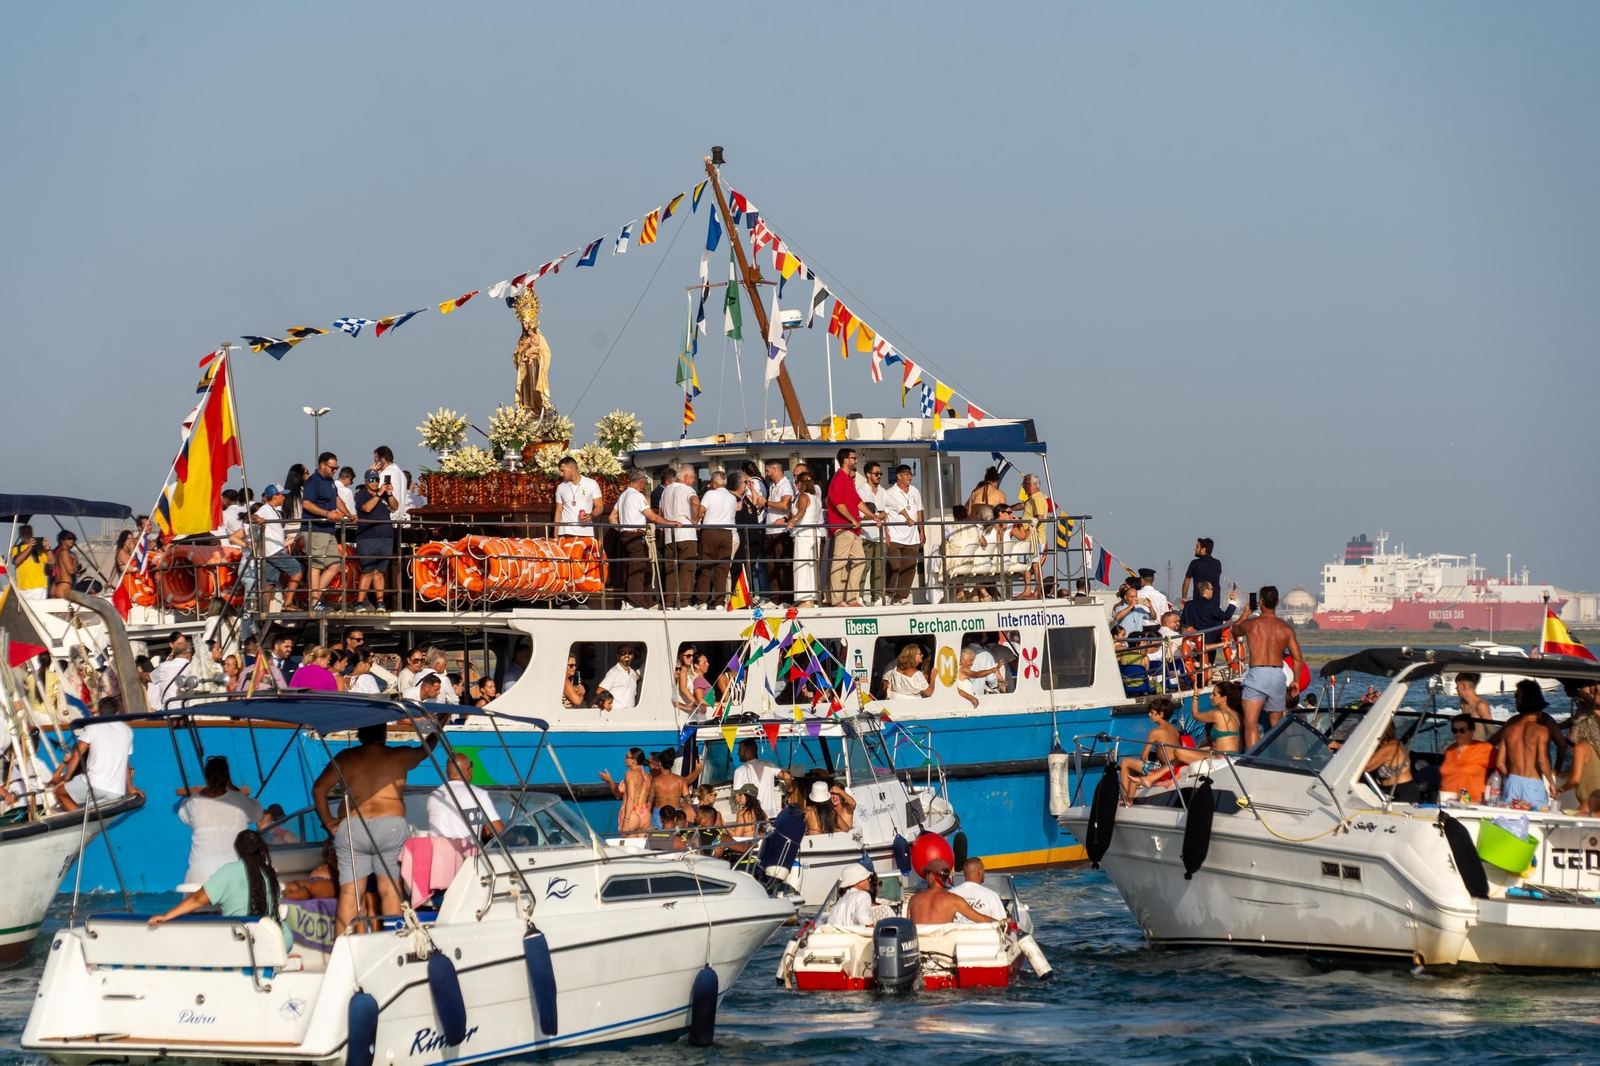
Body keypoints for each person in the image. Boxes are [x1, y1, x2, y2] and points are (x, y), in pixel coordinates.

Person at [312, 720, 441, 933]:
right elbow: (424, 750)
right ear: (384, 734)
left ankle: (343, 952)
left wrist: (328, 822)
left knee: (350, 893)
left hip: (353, 826)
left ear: (360, 734)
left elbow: (319, 789)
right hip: (390, 826)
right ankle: (393, 944)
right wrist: (437, 728)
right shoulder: (399, 755)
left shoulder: (346, 757)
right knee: (391, 890)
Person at [148, 829, 294, 953]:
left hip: (248, 941)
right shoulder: (270, 872)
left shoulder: (229, 871)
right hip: (280, 939)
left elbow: (197, 900)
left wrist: (167, 916)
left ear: (237, 851)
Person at [1233, 586, 1306, 747]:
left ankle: (1253, 762)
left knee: (1250, 723)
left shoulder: (1251, 624)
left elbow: (1235, 630)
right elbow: (1298, 658)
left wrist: (1245, 613)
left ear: (1260, 602)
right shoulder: (1286, 628)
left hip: (1257, 673)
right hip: (1277, 674)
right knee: (1277, 724)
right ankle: (1279, 759)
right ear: (1278, 602)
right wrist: (1295, 680)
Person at [177, 756, 265, 885]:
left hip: (200, 876)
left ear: (206, 778)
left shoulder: (192, 802)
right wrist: (235, 789)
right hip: (234, 873)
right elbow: (257, 813)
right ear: (227, 777)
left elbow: (183, 817)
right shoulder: (239, 800)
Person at [49, 697, 137, 812]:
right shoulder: (127, 730)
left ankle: (80, 823)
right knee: (88, 809)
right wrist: (130, 789)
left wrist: (66, 780)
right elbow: (126, 762)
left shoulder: (93, 726)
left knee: (59, 793)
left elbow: (76, 754)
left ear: (99, 711)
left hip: (94, 784)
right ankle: (84, 821)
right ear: (117, 712)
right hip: (116, 791)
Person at [613, 469, 671, 610]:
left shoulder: (623, 495)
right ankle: (634, 602)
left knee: (632, 568)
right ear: (641, 480)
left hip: (625, 536)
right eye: (645, 480)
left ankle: (631, 601)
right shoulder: (637, 496)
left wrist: (622, 529)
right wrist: (670, 522)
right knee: (637, 568)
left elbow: (611, 517)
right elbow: (652, 517)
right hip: (635, 536)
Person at [301, 452, 350, 611]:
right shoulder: (313, 482)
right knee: (316, 565)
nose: (335, 470)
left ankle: (314, 599)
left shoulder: (330, 482)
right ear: (322, 465)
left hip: (328, 530)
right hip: (315, 529)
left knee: (335, 565)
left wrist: (349, 514)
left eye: (337, 468)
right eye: (332, 467)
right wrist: (327, 514)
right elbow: (307, 504)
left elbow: (336, 499)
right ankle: (314, 602)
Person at [1496, 681, 1556, 807]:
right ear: (1538, 710)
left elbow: (1499, 763)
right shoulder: (1541, 731)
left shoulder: (1509, 729)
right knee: (1536, 820)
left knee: (1510, 821)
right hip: (1533, 785)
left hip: (1512, 782)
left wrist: (1510, 777)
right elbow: (1542, 760)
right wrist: (1551, 782)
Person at [427, 753, 504, 843]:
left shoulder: (434, 795)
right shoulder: (478, 794)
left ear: (446, 773)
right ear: (470, 771)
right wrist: (516, 838)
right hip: (464, 854)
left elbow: (452, 823)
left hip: (435, 852)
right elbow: (500, 831)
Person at [1117, 696, 1182, 802]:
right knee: (1135, 767)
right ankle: (1131, 798)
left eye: (1152, 712)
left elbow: (1143, 756)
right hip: (1174, 765)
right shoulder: (1174, 728)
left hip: (1161, 767)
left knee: (1125, 762)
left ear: (1160, 714)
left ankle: (1124, 798)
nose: (1149, 715)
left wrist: (1145, 759)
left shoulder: (1155, 732)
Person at [826, 448, 866, 606]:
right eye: (853, 458)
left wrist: (873, 516)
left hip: (853, 528)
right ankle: (836, 599)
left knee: (860, 560)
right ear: (845, 460)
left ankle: (851, 598)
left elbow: (857, 501)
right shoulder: (838, 479)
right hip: (843, 528)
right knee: (839, 562)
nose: (856, 460)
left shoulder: (848, 479)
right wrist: (852, 519)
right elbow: (838, 503)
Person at [352, 469, 395, 612]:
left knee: (379, 571)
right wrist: (378, 493)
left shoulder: (383, 495)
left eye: (376, 479)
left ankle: (380, 602)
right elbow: (367, 508)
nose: (375, 482)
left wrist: (389, 493)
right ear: (366, 481)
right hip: (368, 536)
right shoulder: (361, 495)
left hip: (386, 536)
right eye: (371, 480)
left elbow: (395, 506)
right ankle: (359, 602)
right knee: (367, 570)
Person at [908, 856, 997, 925]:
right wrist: (1003, 922)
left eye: (926, 874)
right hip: (940, 947)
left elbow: (907, 928)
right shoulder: (954, 900)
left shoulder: (913, 900)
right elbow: (981, 919)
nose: (925, 877)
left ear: (931, 876)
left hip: (919, 947)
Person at [252, 485, 304, 602]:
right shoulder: (266, 509)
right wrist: (257, 519)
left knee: (269, 583)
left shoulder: (274, 510)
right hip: (274, 550)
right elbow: (254, 515)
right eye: (282, 495)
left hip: (270, 550)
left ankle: (264, 611)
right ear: (275, 496)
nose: (284, 498)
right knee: (298, 570)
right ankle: (288, 603)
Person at [660, 464, 702, 609]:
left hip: (669, 534)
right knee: (688, 568)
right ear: (686, 477)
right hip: (685, 533)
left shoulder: (666, 490)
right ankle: (683, 602)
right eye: (692, 478)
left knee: (671, 569)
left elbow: (660, 512)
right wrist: (696, 519)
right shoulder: (687, 489)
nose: (693, 481)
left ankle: (670, 602)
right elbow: (695, 501)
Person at [883, 464, 924, 605]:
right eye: (906, 474)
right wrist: (886, 533)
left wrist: (921, 531)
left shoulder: (915, 491)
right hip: (895, 535)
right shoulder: (890, 492)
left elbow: (919, 511)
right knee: (893, 566)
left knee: (909, 567)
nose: (909, 476)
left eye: (910, 474)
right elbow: (884, 515)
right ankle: (888, 593)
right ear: (899, 476)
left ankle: (901, 597)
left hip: (912, 536)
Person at [697, 470, 739, 608]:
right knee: (722, 569)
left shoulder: (710, 494)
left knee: (705, 566)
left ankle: (702, 601)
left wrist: (695, 521)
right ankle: (720, 602)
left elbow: (701, 511)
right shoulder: (732, 497)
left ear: (714, 483)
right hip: (727, 533)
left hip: (709, 532)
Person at [1560, 680, 1600, 813]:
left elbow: (1576, 780)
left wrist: (1577, 693)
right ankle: (1564, 770)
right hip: (1592, 800)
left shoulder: (1581, 747)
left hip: (1591, 802)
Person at [788, 470, 824, 607]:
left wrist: (793, 520)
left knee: (801, 565)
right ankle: (812, 597)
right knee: (812, 566)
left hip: (803, 534)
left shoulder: (803, 496)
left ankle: (804, 598)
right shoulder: (816, 497)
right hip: (814, 534)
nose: (796, 485)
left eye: (797, 482)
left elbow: (802, 511)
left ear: (801, 483)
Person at [1441, 713, 1495, 803]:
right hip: (1445, 800)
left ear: (1472, 731)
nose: (1458, 734)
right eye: (1455, 730)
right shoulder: (1449, 750)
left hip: (1471, 802)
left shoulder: (1484, 748)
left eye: (1462, 730)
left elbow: (1505, 763)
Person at [599, 747, 652, 835]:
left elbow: (626, 797)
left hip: (632, 815)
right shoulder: (647, 776)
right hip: (645, 815)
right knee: (644, 848)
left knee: (627, 848)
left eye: (627, 756)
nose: (624, 759)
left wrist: (625, 822)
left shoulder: (630, 774)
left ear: (633, 761)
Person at [857, 461, 889, 606]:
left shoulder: (883, 491)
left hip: (879, 535)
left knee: (879, 569)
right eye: (877, 474)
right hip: (865, 534)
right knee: (864, 568)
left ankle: (876, 597)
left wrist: (880, 516)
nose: (879, 476)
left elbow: (888, 509)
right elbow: (859, 513)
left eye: (880, 474)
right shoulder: (861, 491)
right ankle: (859, 597)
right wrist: (874, 516)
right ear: (868, 475)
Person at [762, 459, 795, 599]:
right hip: (770, 531)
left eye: (768, 471)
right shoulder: (772, 486)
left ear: (774, 470)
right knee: (771, 566)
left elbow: (785, 505)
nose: (767, 474)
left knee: (783, 567)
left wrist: (767, 502)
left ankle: (786, 598)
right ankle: (775, 598)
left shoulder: (785, 486)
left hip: (781, 532)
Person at [735, 461, 769, 598]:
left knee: (756, 561)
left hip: (757, 524)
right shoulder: (761, 481)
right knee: (756, 561)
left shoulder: (753, 483)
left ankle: (760, 592)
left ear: (744, 471)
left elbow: (755, 503)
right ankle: (757, 592)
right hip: (760, 523)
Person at [1364, 721, 1420, 802]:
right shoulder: (1390, 744)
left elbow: (1367, 766)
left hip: (1402, 791)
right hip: (1390, 790)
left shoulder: (1391, 747)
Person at [554, 455, 603, 543]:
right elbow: (558, 511)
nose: (561, 474)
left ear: (572, 469)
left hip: (585, 532)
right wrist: (556, 532)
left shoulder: (591, 484)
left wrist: (591, 515)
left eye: (563, 471)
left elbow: (599, 506)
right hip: (566, 532)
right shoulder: (561, 487)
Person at [731, 738, 781, 817]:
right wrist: (790, 788)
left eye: (739, 750)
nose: (738, 753)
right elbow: (787, 776)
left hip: (753, 816)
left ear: (747, 753)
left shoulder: (739, 771)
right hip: (771, 815)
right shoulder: (769, 765)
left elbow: (738, 798)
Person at [950, 857, 1006, 922]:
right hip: (984, 932)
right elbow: (1001, 924)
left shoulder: (950, 893)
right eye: (983, 870)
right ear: (980, 872)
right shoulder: (991, 896)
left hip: (955, 932)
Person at [147, 636, 195, 709]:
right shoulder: (194, 667)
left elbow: (148, 677)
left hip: (169, 713)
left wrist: (139, 674)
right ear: (188, 654)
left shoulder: (164, 666)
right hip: (189, 711)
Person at [10, 526, 51, 601]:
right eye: (24, 532)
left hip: (38, 587)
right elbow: (16, 561)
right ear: (20, 534)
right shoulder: (16, 548)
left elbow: (52, 561)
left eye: (29, 532)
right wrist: (29, 547)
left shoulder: (39, 548)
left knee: (38, 610)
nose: (27, 534)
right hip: (22, 587)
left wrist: (48, 548)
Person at [594, 644, 640, 710]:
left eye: (629, 653)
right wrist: (608, 705)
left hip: (630, 713)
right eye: (623, 653)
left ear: (632, 655)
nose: (626, 655)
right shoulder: (614, 672)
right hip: (617, 713)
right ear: (618, 656)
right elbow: (599, 691)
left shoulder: (633, 673)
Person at [1181, 538, 1222, 607]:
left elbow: (1186, 582)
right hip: (1214, 604)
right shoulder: (1217, 563)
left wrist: (1184, 597)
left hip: (1199, 604)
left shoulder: (1194, 563)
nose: (1195, 549)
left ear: (1203, 549)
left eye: (1197, 547)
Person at [649, 748, 692, 813]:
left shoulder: (655, 781)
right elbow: (689, 801)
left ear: (660, 763)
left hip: (660, 814)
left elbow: (649, 802)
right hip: (675, 813)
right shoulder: (681, 780)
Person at [372, 446, 408, 522]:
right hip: (400, 517)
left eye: (375, 460)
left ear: (381, 460)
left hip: (387, 517)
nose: (374, 463)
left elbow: (371, 491)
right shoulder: (401, 473)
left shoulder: (386, 473)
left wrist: (372, 472)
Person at [1454, 672, 1493, 737]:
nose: (1456, 688)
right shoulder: (1463, 704)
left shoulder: (1480, 705)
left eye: (1457, 685)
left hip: (1478, 746)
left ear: (1464, 686)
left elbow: (1492, 731)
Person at [49, 531, 79, 599]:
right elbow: (70, 571)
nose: (72, 540)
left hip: (54, 586)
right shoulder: (64, 552)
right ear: (62, 540)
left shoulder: (55, 553)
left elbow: (51, 571)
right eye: (69, 538)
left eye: (73, 539)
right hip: (64, 585)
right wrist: (74, 561)